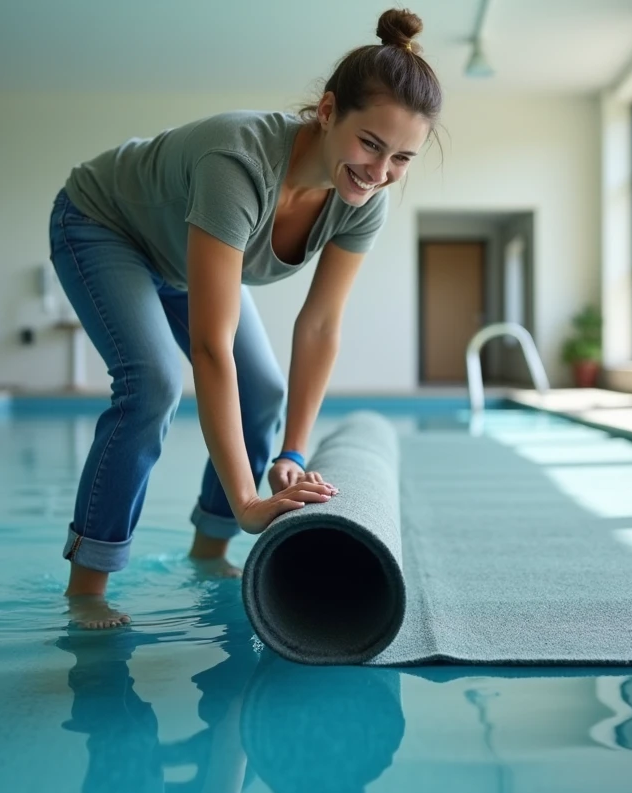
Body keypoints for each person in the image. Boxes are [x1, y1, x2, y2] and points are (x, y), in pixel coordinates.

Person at [47, 7, 443, 629]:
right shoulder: (239, 162)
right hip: (103, 225)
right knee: (151, 384)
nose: (379, 171)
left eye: (402, 158)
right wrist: (250, 500)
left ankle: (208, 550)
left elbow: (319, 327)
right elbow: (210, 346)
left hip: (180, 258)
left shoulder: (365, 202)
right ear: (328, 111)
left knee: (263, 393)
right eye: (371, 143)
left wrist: (293, 449)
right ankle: (87, 589)